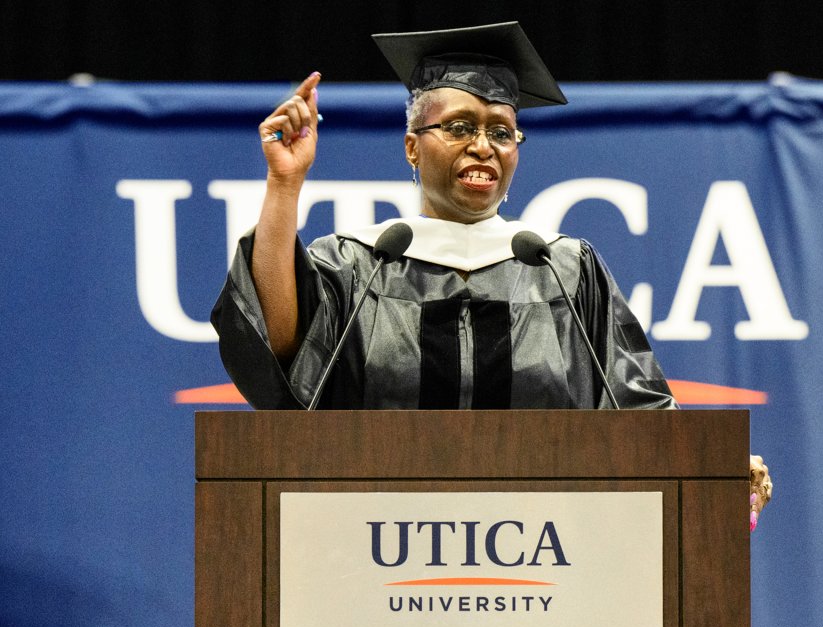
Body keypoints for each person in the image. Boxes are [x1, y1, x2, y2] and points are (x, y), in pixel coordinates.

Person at [210, 22, 771, 526]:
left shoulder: (562, 268)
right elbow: (279, 348)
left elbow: (638, 411)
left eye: (502, 131)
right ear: (412, 147)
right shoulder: (360, 263)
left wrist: (711, 468)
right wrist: (284, 185)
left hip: (550, 562)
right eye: (458, 127)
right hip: (371, 551)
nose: (483, 145)